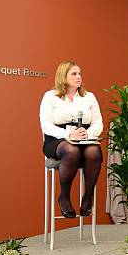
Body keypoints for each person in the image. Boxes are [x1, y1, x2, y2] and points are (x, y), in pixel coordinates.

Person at [40, 61, 103, 218]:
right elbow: (46, 125)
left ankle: (88, 197)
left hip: (84, 138)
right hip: (57, 140)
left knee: (94, 151)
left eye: (80, 74)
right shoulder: (50, 96)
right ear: (63, 77)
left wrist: (88, 134)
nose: (79, 77)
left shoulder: (89, 97)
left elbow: (98, 122)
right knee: (71, 150)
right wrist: (68, 135)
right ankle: (65, 197)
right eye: (74, 74)